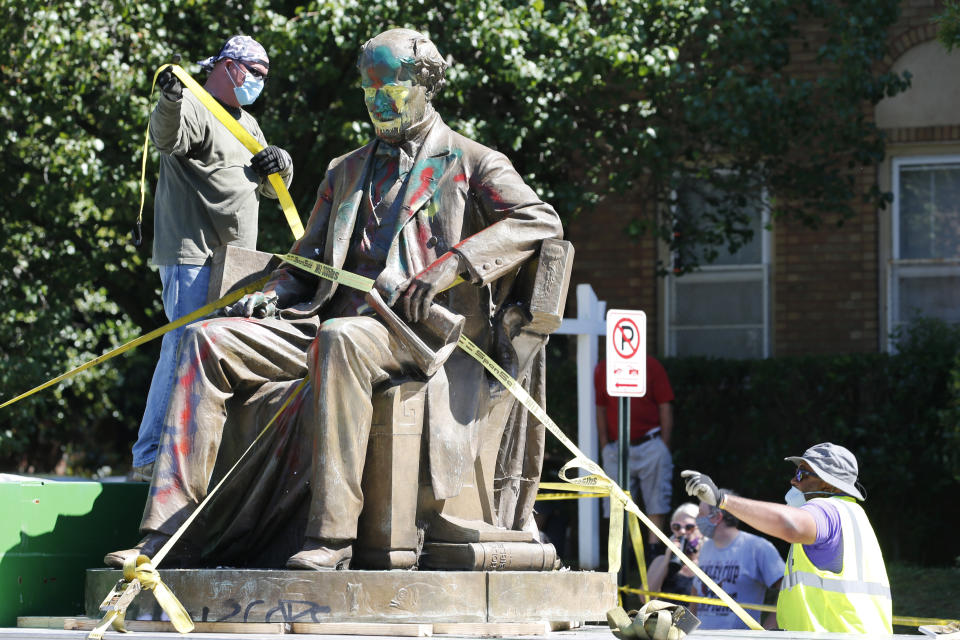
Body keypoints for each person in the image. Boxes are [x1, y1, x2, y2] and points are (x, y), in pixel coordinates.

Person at [105, 28, 563, 570]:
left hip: (409, 331)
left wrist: (446, 269)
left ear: (425, 84)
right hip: (321, 320)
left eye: (388, 91)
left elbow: (539, 220)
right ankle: (169, 534)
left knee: (341, 340)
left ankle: (332, 538)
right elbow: (305, 261)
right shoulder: (344, 170)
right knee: (206, 339)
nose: (376, 104)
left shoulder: (471, 161)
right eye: (367, 93)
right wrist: (270, 296)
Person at [129, 35, 294, 481]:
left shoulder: (248, 124)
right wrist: (169, 98)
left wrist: (282, 162)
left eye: (264, 75)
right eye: (253, 72)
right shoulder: (196, 106)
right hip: (193, 254)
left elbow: (270, 185)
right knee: (182, 347)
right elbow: (166, 137)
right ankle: (148, 458)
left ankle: (197, 456)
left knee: (214, 356)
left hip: (236, 263)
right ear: (226, 66)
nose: (260, 82)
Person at [681, 442, 893, 634]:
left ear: (830, 486)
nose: (793, 480)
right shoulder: (851, 513)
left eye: (803, 474)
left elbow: (790, 526)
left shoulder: (827, 509)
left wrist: (722, 500)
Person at [594, 356, 674, 548]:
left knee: (657, 504)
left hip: (650, 443)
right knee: (617, 507)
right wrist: (605, 445)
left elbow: (665, 405)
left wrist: (663, 444)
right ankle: (624, 560)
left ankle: (653, 555)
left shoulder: (652, 365)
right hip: (616, 448)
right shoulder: (603, 368)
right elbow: (600, 408)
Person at [688, 490, 784, 630]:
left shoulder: (757, 547)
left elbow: (788, 591)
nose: (697, 519)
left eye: (701, 514)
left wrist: (768, 631)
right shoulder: (704, 547)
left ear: (716, 517)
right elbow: (696, 592)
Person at [646, 503, 702, 599]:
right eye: (677, 527)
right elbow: (645, 597)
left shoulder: (708, 560)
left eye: (689, 527)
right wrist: (666, 561)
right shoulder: (661, 560)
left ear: (701, 530)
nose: (682, 531)